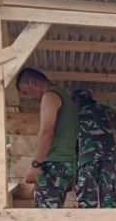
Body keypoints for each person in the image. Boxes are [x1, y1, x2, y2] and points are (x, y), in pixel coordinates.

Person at [16, 68, 79, 208]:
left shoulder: (50, 96)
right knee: (53, 214)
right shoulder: (67, 100)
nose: (29, 97)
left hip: (54, 165)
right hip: (66, 165)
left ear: (32, 82)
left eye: (26, 92)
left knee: (45, 217)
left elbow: (46, 132)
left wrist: (36, 164)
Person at [72, 89, 116, 208]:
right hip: (108, 158)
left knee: (87, 203)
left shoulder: (74, 114)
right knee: (109, 200)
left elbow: (72, 144)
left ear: (75, 101)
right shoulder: (105, 109)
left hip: (87, 159)